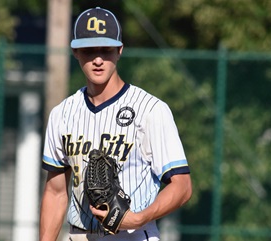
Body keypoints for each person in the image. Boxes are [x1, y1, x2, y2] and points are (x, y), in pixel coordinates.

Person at [39, 7, 192, 241]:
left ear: (119, 50)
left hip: (134, 234)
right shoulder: (62, 114)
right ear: (76, 52)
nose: (98, 59)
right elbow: (56, 192)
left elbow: (182, 187)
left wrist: (139, 217)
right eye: (90, 50)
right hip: (79, 235)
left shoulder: (150, 110)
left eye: (106, 49)